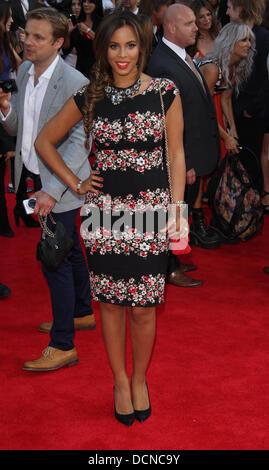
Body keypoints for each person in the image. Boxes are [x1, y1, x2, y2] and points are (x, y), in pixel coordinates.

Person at [35, 9, 186, 425]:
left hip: (151, 212)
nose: (123, 55)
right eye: (114, 45)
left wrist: (177, 212)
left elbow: (175, 153)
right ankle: (120, 380)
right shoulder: (91, 96)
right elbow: (44, 140)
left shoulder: (164, 92)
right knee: (112, 306)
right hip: (105, 215)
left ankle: (140, 379)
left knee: (143, 308)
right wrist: (77, 181)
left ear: (143, 47)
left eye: (131, 45)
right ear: (102, 49)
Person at [0, 7, 95, 372]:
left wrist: (52, 190)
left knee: (53, 258)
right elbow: (18, 129)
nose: (27, 42)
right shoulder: (24, 71)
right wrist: (6, 109)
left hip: (63, 185)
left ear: (58, 43)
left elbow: (78, 144)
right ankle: (83, 313)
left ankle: (63, 343)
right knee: (68, 251)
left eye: (38, 37)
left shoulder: (75, 82)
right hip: (35, 176)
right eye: (26, 34)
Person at [147, 3, 221, 285]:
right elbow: (167, 124)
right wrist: (185, 162)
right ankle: (167, 267)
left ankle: (174, 260)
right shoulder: (164, 64)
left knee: (184, 208)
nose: (196, 27)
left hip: (191, 153)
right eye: (189, 23)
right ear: (171, 28)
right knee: (174, 210)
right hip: (182, 159)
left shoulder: (178, 56)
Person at [226, 0, 269, 200]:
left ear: (240, 8)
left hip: (255, 111)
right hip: (233, 108)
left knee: (252, 159)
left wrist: (252, 108)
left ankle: (252, 205)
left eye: (229, 7)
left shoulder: (264, 37)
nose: (226, 12)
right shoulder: (231, 34)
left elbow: (265, 78)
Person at [196, 22, 255, 158]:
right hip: (197, 113)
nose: (249, 45)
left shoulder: (235, 67)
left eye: (250, 40)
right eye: (244, 40)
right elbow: (204, 109)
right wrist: (226, 137)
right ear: (230, 41)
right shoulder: (213, 69)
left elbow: (226, 98)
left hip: (212, 110)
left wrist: (232, 129)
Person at [0, 0, 21, 238]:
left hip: (6, 106)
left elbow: (16, 64)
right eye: (9, 17)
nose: (13, 21)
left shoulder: (5, 41)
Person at [62, 0, 102, 78]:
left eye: (90, 2)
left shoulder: (102, 22)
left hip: (98, 68)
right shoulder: (78, 22)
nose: (86, 4)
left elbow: (103, 44)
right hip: (80, 69)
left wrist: (87, 31)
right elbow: (66, 50)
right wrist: (68, 33)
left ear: (96, 4)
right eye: (84, 2)